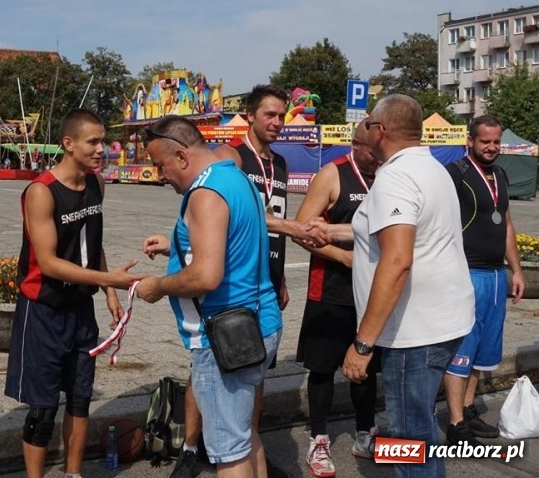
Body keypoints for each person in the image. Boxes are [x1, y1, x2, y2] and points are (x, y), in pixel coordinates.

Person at [171, 84, 327, 478]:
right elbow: (234, 215)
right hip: (232, 291)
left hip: (264, 281)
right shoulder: (229, 158)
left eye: (281, 116)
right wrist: (294, 227)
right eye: (269, 115)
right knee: (207, 369)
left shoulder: (281, 163)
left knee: (250, 375)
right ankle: (192, 448)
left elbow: (270, 223)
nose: (277, 122)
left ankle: (243, 442)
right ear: (251, 116)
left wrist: (280, 275)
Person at [136, 115, 283, 478]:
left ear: (183, 156)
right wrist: (176, 244)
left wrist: (157, 286)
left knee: (228, 453)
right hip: (260, 323)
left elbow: (205, 275)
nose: (158, 175)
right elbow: (232, 242)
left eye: (160, 165)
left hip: (224, 339)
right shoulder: (236, 177)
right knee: (245, 434)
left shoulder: (203, 194)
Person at [339, 94, 475, 478]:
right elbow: (405, 231)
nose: (362, 130)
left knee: (408, 438)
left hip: (414, 332)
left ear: (380, 131)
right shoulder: (432, 168)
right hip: (444, 320)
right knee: (422, 432)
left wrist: (363, 344)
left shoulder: (395, 176)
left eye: (367, 125)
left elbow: (397, 260)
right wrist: (329, 230)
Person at [4, 108, 142, 478]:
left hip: (81, 308)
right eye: (92, 141)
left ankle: (73, 473)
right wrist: (111, 280)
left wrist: (107, 291)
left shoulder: (96, 184)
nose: (102, 149)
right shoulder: (41, 192)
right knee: (43, 408)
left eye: (102, 141)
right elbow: (47, 263)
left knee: (80, 400)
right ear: (68, 144)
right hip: (43, 309)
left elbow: (91, 241)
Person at [293, 120, 381, 477]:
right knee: (323, 367)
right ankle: (319, 439)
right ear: (356, 144)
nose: (377, 158)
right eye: (372, 151)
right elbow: (300, 230)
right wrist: (342, 257)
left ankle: (365, 433)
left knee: (367, 367)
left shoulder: (386, 176)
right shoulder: (332, 174)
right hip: (329, 288)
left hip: (371, 290)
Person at [443, 114, 525, 445]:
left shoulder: (501, 174)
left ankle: (467, 409)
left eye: (496, 142)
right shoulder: (455, 174)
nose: (491, 147)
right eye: (485, 141)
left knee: (482, 352)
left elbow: (505, 223)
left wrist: (516, 270)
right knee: (462, 351)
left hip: (494, 276)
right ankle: (455, 424)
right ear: (471, 142)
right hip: (466, 274)